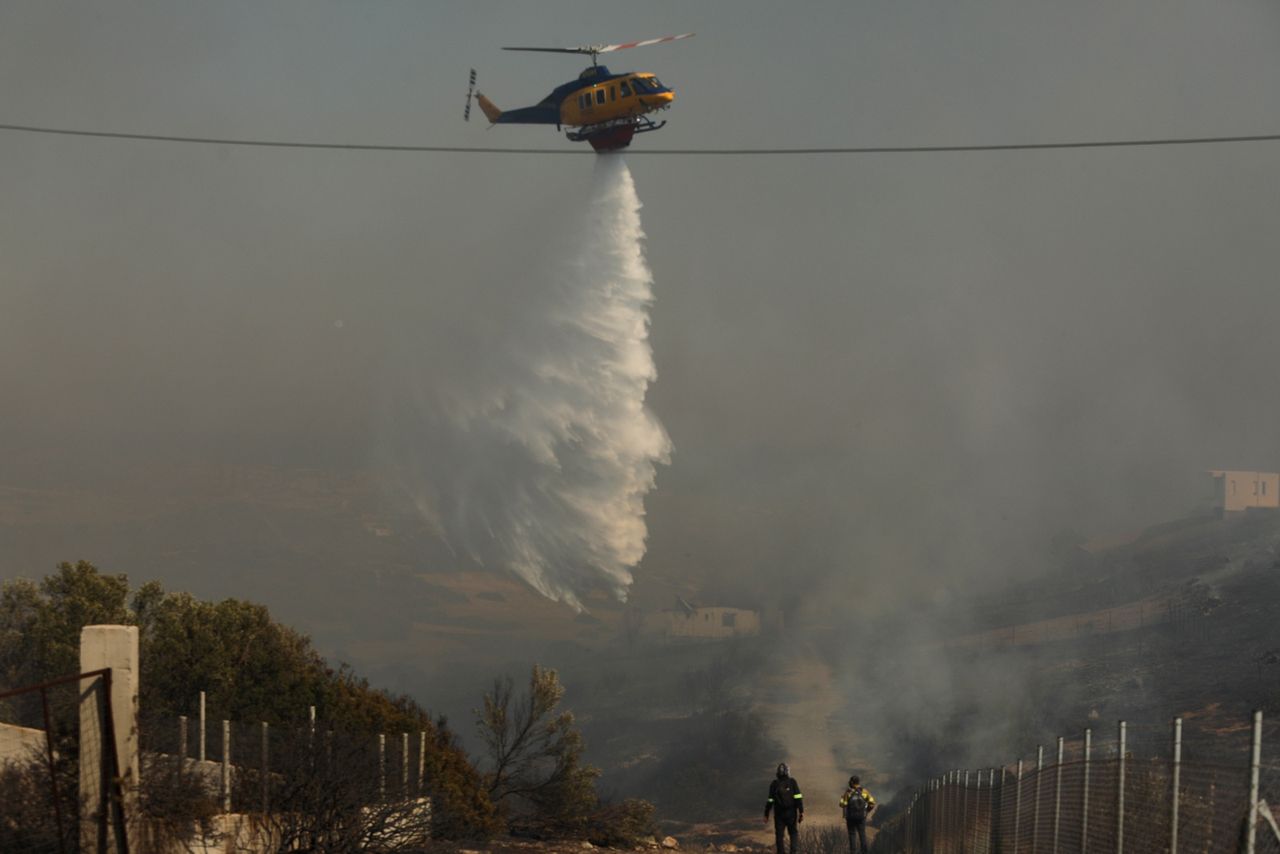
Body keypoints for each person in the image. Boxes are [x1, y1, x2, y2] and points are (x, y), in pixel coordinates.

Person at [764, 762, 804, 854]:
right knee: (793, 833)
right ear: (787, 772)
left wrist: (766, 814)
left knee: (779, 835)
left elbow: (770, 800)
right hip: (791, 813)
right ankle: (793, 852)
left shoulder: (774, 784)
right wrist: (801, 811)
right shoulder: (792, 782)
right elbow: (798, 797)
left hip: (779, 814)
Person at [839, 775, 875, 854]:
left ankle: (853, 852)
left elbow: (842, 804)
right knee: (862, 835)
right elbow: (872, 803)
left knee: (852, 835)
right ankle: (864, 852)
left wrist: (843, 797)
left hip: (851, 818)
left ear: (852, 782)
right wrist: (866, 811)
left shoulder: (848, 792)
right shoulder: (865, 792)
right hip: (861, 817)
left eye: (850, 781)